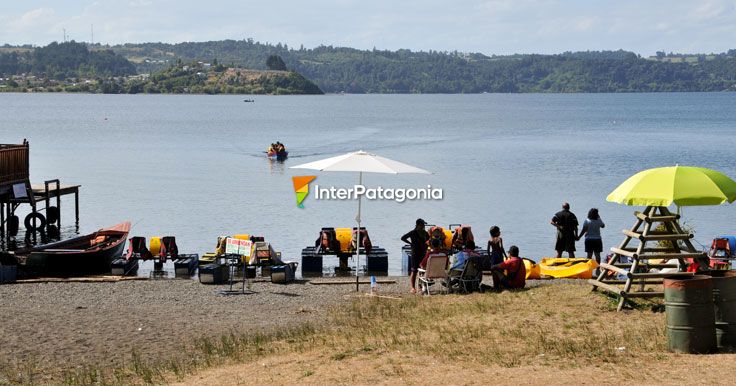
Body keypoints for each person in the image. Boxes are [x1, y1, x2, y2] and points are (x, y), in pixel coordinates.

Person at [401, 218, 429, 294]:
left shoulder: (425, 233)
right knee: (414, 271)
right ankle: (413, 287)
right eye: (423, 225)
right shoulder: (413, 232)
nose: (424, 226)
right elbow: (402, 238)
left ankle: (420, 286)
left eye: (424, 225)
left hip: (423, 254)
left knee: (422, 271)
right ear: (418, 225)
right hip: (415, 254)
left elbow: (429, 241)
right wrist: (410, 243)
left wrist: (426, 246)